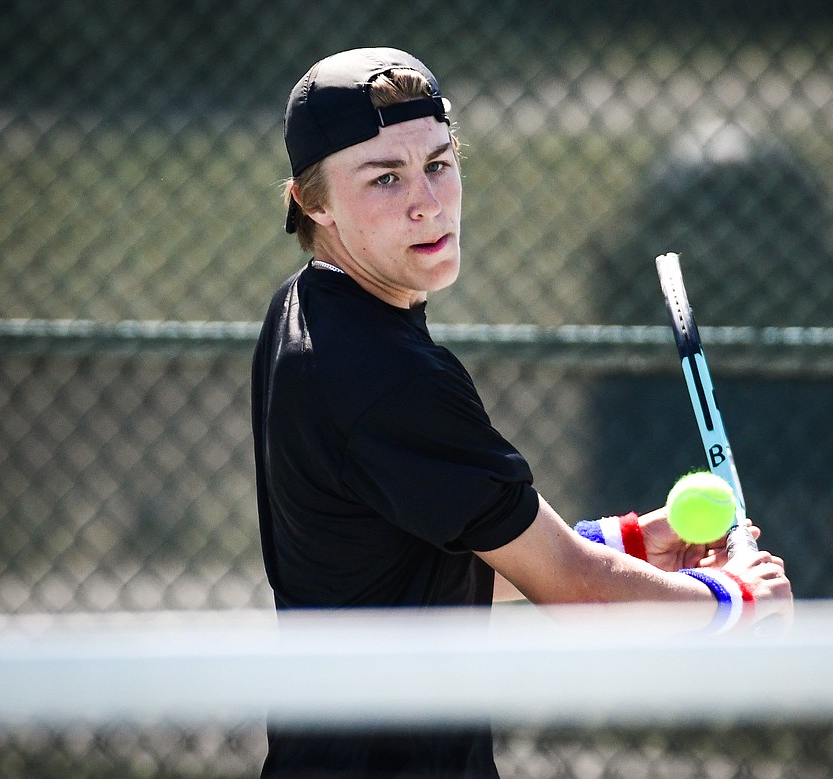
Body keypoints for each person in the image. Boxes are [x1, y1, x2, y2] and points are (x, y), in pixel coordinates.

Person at [252, 47, 793, 778]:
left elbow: (425, 565)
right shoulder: (391, 379)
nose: (428, 202)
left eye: (439, 164)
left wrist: (632, 540)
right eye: (385, 178)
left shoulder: (306, 310)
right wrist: (732, 601)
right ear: (312, 200)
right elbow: (574, 588)